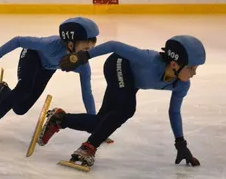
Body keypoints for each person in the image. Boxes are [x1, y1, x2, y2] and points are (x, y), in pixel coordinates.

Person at [38, 35, 206, 168]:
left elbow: (174, 112)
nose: (194, 73)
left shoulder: (181, 85)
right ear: (175, 64)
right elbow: (114, 46)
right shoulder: (148, 59)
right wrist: (83, 56)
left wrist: (180, 143)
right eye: (192, 68)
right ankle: (88, 148)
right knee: (126, 108)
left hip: (131, 81)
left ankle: (61, 119)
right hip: (118, 63)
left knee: (101, 122)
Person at [0, 17, 99, 139]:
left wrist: (94, 124)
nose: (89, 54)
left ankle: (4, 92)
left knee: (20, 109)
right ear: (70, 45)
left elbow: (87, 93)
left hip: (47, 69)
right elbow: (18, 40)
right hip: (32, 56)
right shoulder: (51, 45)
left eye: (91, 49)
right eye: (86, 49)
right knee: (25, 87)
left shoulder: (83, 65)